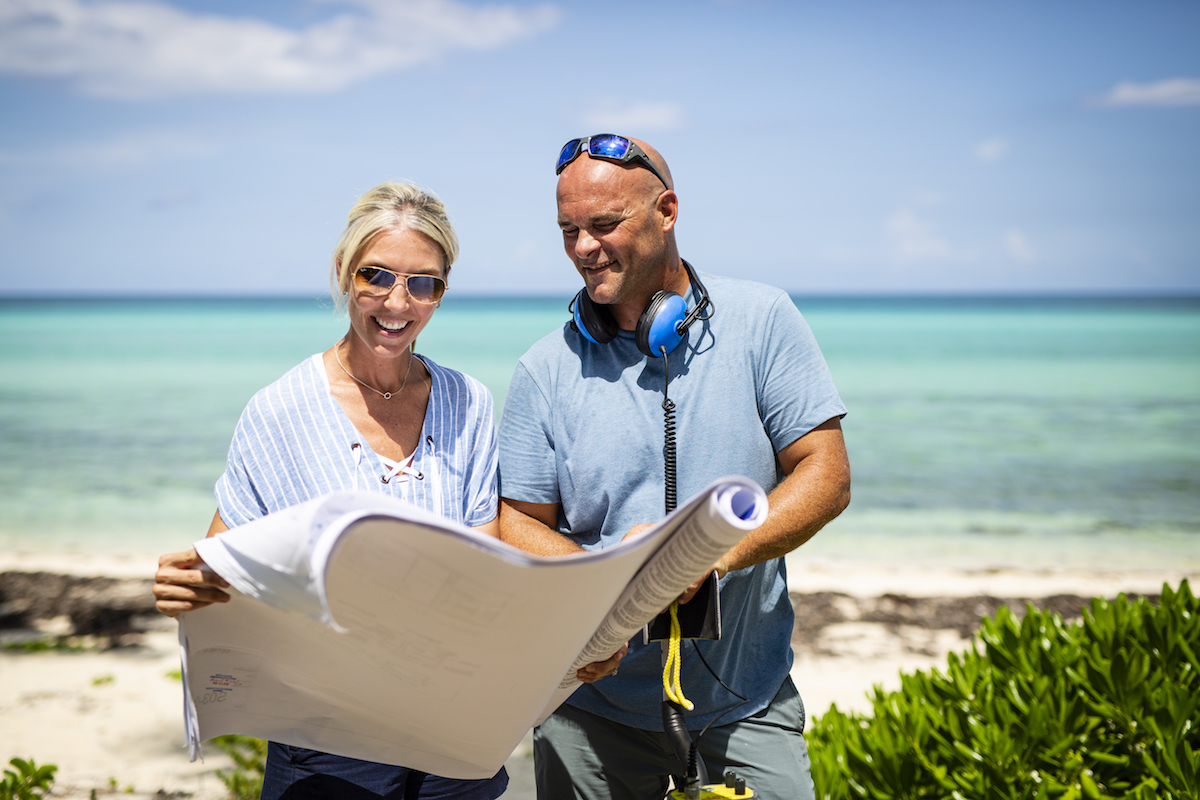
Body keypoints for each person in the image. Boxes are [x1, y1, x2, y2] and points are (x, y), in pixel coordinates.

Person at [151, 181, 627, 799]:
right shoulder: (278, 412)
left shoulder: (469, 403)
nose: (397, 302)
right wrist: (187, 585)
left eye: (423, 283)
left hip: (457, 753)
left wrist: (562, 651)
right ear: (344, 274)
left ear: (442, 291)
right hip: (326, 757)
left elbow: (486, 581)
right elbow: (223, 572)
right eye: (376, 276)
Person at [497, 135, 851, 800]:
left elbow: (825, 475)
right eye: (568, 230)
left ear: (667, 210)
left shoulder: (763, 319)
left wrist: (709, 556)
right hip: (589, 705)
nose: (582, 249)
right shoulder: (542, 368)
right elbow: (514, 519)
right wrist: (605, 580)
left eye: (604, 225)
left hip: (745, 698)